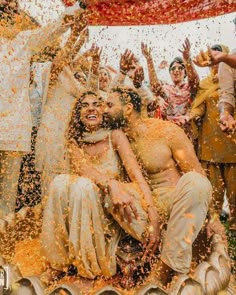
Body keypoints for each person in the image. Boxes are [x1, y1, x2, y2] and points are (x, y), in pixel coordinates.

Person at [40, 92, 160, 290]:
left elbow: (137, 175)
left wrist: (153, 212)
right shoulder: (74, 142)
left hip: (111, 211)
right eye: (85, 105)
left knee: (82, 187)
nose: (91, 108)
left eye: (97, 104)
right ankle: (57, 264)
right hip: (83, 207)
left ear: (104, 112)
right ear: (78, 114)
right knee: (60, 182)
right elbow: (84, 169)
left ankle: (89, 271)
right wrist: (110, 184)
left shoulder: (116, 136)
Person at [104, 86, 217, 287]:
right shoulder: (113, 138)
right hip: (143, 209)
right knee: (108, 193)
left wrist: (213, 216)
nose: (104, 110)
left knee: (196, 182)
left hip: (174, 203)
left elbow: (197, 174)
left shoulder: (165, 131)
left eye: (109, 105)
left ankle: (163, 270)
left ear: (128, 108)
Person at [0, 0, 86, 230]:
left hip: (14, 137)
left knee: (6, 205)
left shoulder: (23, 42)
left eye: (14, 4)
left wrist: (82, 4)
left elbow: (56, 26)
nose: (10, 6)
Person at [184, 45, 236, 234]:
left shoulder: (230, 69)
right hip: (211, 148)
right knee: (212, 195)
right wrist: (189, 117)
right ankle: (215, 230)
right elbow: (201, 106)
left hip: (232, 146)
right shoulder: (205, 84)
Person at [141, 39, 199, 140]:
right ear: (170, 73)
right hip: (168, 135)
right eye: (173, 68)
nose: (176, 70)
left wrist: (187, 59)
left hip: (188, 135)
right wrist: (149, 60)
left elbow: (194, 80)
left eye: (180, 68)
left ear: (185, 73)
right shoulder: (166, 88)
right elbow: (155, 86)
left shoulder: (189, 87)